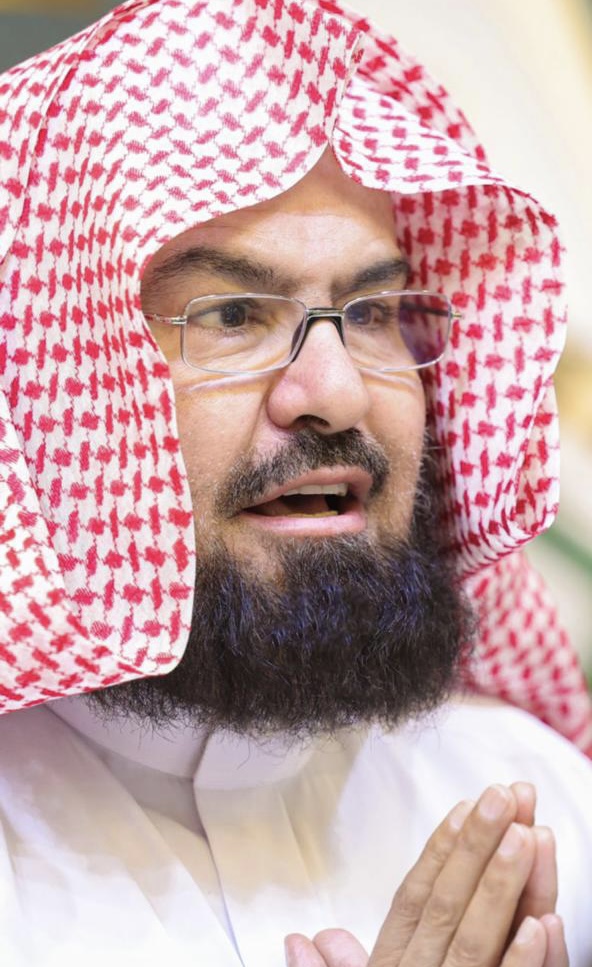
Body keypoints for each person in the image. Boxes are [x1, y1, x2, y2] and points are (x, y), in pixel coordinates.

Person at [0, 0, 591, 965]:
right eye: (232, 314)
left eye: (373, 311)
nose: (337, 393)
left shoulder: (542, 812)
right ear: (49, 374)